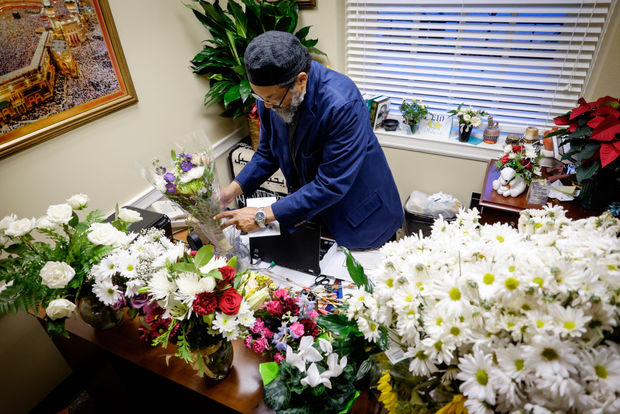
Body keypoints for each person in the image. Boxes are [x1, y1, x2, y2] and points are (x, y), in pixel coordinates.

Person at [215, 31, 403, 250]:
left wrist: (260, 215)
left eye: (272, 99)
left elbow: (330, 184)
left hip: (361, 219)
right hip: (315, 214)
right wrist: (232, 190)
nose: (266, 106)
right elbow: (267, 152)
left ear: (301, 80)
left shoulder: (342, 103)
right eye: (260, 97)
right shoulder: (270, 95)